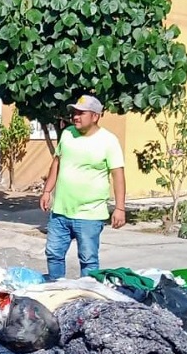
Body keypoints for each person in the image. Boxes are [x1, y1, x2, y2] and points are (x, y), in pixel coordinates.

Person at [39, 96, 126, 280]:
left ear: (95, 116)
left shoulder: (108, 141)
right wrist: (47, 191)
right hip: (61, 211)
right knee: (53, 254)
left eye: (81, 113)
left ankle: (87, 298)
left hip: (90, 214)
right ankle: (56, 288)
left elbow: (118, 174)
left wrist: (120, 208)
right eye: (74, 113)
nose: (75, 117)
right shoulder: (68, 134)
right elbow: (57, 163)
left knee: (88, 260)